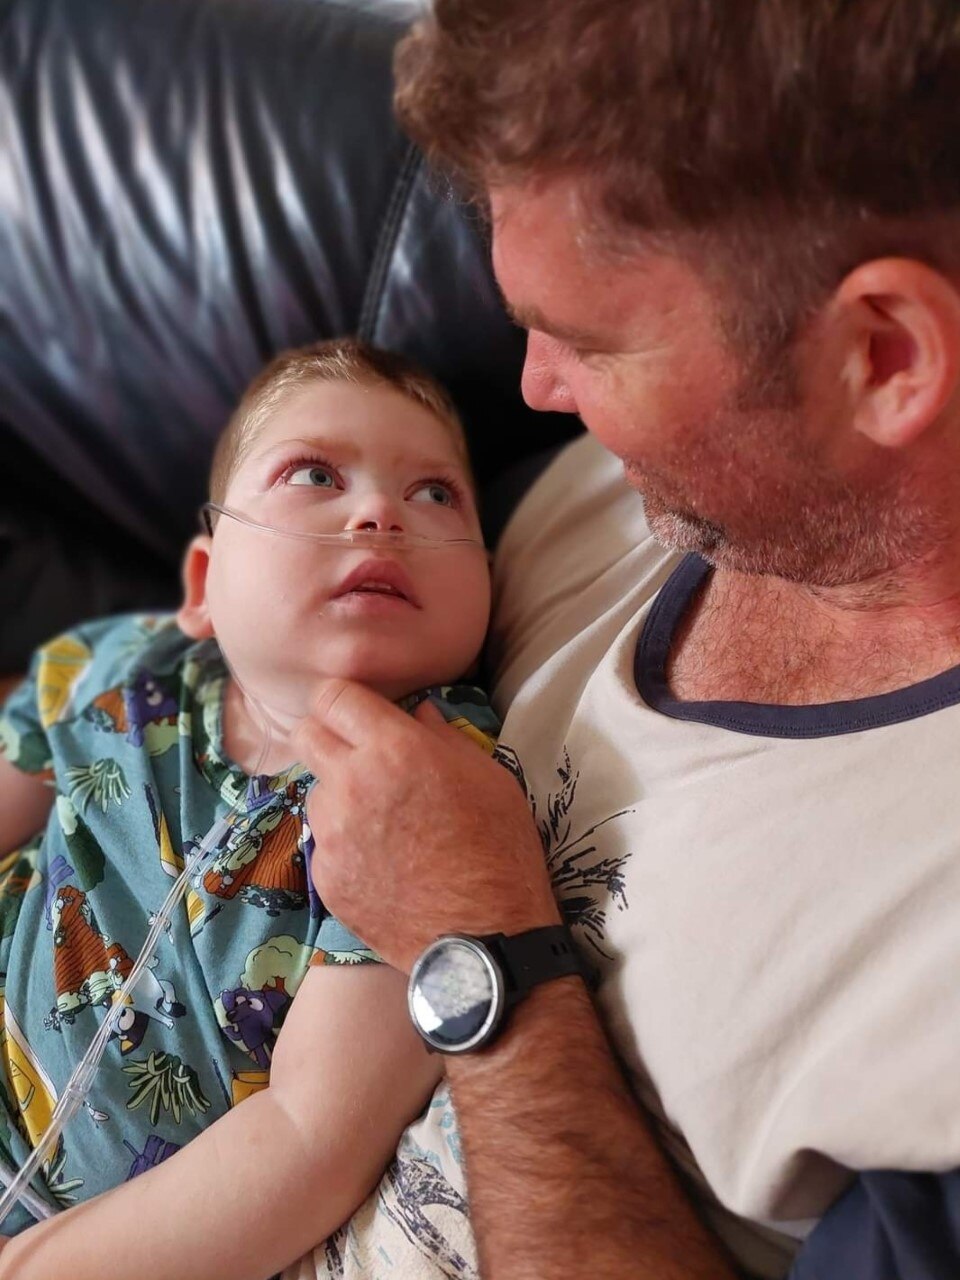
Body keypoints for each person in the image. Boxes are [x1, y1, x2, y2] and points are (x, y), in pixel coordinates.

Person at [286, 3, 960, 1278]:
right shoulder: (632, 490)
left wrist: (478, 941)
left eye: (587, 341)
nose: (534, 384)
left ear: (883, 355)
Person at [0, 337, 497, 1280]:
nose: (381, 515)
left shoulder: (435, 788)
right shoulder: (120, 666)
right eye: (316, 475)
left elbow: (312, 1134)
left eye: (437, 493)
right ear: (203, 586)